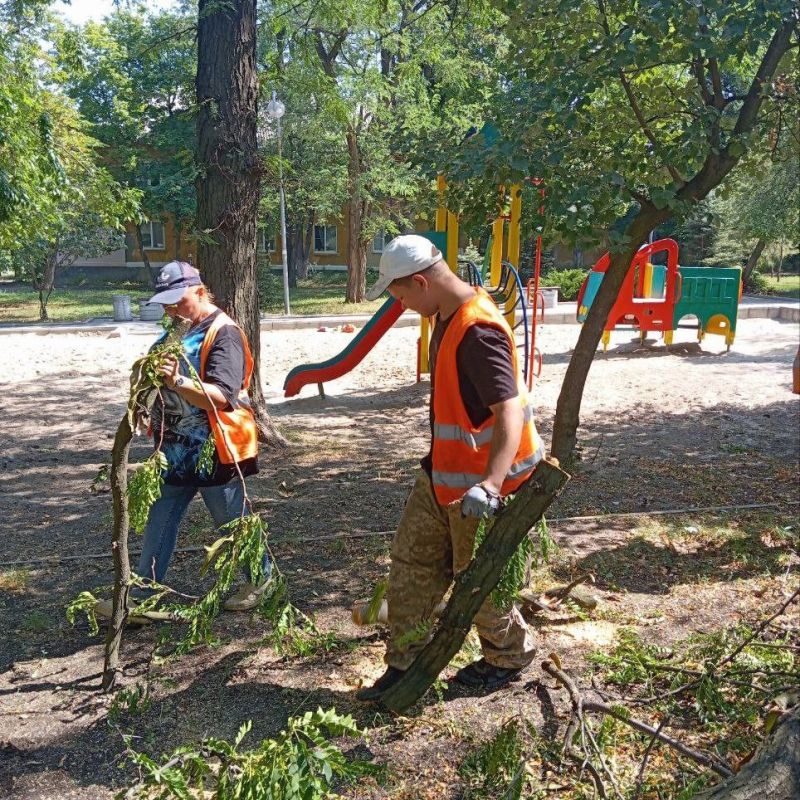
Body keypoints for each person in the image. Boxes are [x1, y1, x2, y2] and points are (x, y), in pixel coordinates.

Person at [356, 235, 545, 701]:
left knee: (480, 582)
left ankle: (509, 655)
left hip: (484, 487)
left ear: (420, 282)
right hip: (442, 475)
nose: (399, 304)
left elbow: (509, 411)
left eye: (400, 295)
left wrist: (492, 485)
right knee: (411, 566)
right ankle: (405, 663)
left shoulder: (477, 331)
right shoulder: (444, 313)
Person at [95, 261, 271, 622]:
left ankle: (262, 580)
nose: (172, 309)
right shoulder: (177, 329)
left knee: (232, 522)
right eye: (166, 303)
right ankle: (143, 597)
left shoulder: (224, 333)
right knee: (161, 519)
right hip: (173, 452)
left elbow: (223, 396)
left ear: (201, 291)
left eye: (179, 301)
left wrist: (178, 384)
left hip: (214, 452)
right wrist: (148, 404)